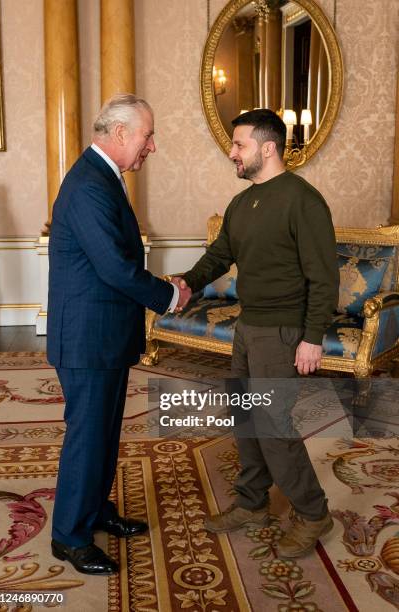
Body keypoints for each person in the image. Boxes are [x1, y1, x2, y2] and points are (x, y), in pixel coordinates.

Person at [176, 109, 339, 558]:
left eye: (239, 145)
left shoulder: (302, 200)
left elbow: (324, 277)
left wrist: (312, 337)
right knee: (246, 420)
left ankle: (313, 513)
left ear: (268, 148)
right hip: (248, 327)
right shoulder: (242, 202)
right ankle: (253, 503)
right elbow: (219, 255)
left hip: (284, 331)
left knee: (272, 426)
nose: (232, 152)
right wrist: (187, 283)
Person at [47, 93, 190, 575]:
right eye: (148, 135)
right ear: (122, 133)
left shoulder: (102, 177)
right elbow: (113, 266)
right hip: (88, 338)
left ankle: (94, 510)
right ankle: (69, 536)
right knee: (88, 436)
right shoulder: (90, 184)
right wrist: (167, 296)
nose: (152, 145)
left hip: (102, 334)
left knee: (105, 433)